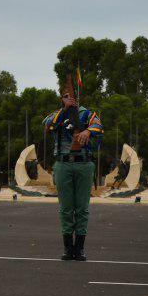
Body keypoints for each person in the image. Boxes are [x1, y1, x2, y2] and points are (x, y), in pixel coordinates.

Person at [44, 80, 103, 260]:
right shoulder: (56, 115)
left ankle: (80, 248)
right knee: (66, 209)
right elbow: (48, 125)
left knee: (82, 208)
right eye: (66, 96)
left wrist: (88, 131)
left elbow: (98, 125)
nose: (70, 99)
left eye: (72, 96)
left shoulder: (87, 113)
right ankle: (68, 248)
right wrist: (64, 110)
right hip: (63, 164)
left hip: (84, 164)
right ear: (61, 99)